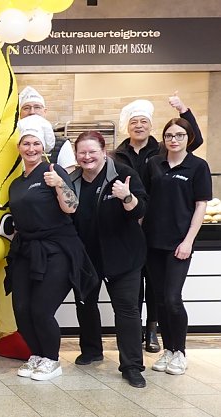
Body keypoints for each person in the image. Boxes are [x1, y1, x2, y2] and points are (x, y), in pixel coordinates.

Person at [6, 115, 96, 382]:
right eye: (26, 143)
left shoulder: (54, 171)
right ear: (19, 147)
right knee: (21, 308)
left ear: (43, 146)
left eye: (35, 143)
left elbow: (71, 207)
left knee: (41, 310)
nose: (31, 148)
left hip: (58, 249)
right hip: (26, 250)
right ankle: (36, 354)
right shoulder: (16, 182)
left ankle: (52, 360)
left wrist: (59, 186)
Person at [112, 95, 204, 353]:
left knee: (159, 289)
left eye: (144, 121)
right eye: (134, 122)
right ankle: (138, 329)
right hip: (132, 226)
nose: (139, 125)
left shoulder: (163, 152)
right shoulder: (117, 154)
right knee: (135, 281)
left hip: (164, 230)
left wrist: (184, 110)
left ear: (152, 127)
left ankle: (153, 330)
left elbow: (193, 137)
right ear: (126, 126)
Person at [68, 131, 149, 388]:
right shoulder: (72, 180)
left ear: (104, 151)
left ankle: (132, 366)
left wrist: (126, 196)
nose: (87, 156)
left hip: (124, 256)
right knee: (85, 305)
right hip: (88, 257)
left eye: (93, 151)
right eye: (82, 152)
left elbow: (141, 209)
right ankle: (92, 350)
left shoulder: (123, 174)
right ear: (76, 155)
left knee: (126, 310)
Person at [144, 118, 211, 376]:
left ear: (188, 138)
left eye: (180, 135)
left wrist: (188, 241)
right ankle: (168, 350)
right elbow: (145, 200)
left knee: (173, 299)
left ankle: (180, 351)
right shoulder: (154, 164)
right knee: (159, 300)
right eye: (169, 135)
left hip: (179, 244)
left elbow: (201, 205)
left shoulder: (197, 166)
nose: (174, 139)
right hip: (153, 243)